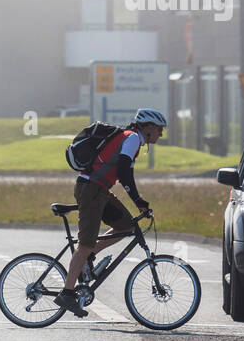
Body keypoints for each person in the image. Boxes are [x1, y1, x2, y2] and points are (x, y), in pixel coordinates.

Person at [55, 108, 167, 317]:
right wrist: (138, 200)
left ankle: (89, 258)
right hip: (91, 189)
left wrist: (137, 200)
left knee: (126, 226)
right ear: (149, 128)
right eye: (159, 130)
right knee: (85, 244)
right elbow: (124, 173)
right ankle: (67, 293)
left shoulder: (131, 139)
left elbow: (125, 172)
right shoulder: (132, 138)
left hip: (99, 190)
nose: (161, 134)